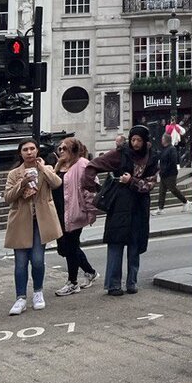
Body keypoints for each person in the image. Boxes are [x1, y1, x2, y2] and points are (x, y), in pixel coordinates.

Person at [83, 124, 157, 296]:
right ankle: (113, 284)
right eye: (133, 139)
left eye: (139, 140)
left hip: (139, 206)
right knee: (116, 244)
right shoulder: (121, 154)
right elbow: (94, 165)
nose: (135, 143)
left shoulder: (152, 158)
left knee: (135, 245)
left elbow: (150, 184)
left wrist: (131, 181)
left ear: (146, 141)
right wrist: (93, 186)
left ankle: (132, 282)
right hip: (120, 206)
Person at [3, 138, 62, 315]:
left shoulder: (46, 169)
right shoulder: (14, 173)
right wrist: (22, 183)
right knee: (20, 262)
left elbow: (57, 183)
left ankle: (38, 292)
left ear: (37, 151)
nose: (29, 152)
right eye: (25, 150)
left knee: (37, 259)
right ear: (20, 153)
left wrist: (42, 168)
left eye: (32, 149)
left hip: (41, 221)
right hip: (20, 221)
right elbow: (8, 197)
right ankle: (20, 297)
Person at [51, 137, 98, 295]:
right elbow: (49, 182)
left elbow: (91, 188)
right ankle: (90, 272)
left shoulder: (82, 164)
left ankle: (72, 282)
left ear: (74, 150)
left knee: (71, 247)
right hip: (58, 213)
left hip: (74, 212)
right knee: (65, 248)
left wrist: (90, 211)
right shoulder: (59, 166)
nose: (61, 151)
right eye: (60, 148)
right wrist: (57, 166)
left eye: (65, 148)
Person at [155, 131, 190, 214]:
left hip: (170, 173)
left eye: (162, 139)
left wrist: (165, 169)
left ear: (166, 140)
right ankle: (160, 208)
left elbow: (173, 161)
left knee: (172, 188)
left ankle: (185, 202)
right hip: (163, 173)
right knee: (162, 191)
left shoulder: (172, 149)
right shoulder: (164, 149)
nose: (161, 140)